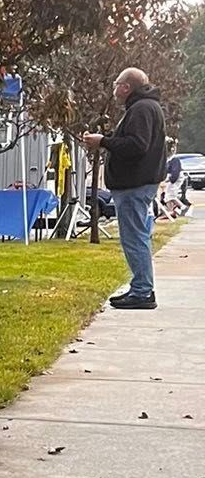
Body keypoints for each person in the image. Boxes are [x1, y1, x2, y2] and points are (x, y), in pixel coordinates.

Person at [84, 67, 168, 310]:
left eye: (116, 84)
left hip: (135, 185)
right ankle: (140, 287)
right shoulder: (146, 107)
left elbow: (137, 146)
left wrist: (104, 142)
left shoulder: (141, 109)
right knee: (137, 236)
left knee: (134, 238)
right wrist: (108, 139)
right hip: (139, 183)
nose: (113, 90)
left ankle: (142, 291)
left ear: (126, 87)